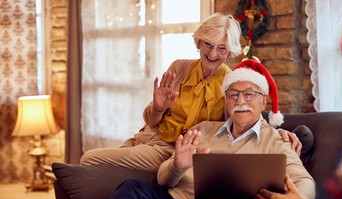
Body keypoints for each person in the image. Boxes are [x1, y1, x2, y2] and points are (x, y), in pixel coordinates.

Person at [78, 59, 315, 199]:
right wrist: (177, 166)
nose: (240, 100)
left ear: (263, 101)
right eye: (233, 94)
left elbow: (303, 180)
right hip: (168, 198)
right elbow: (164, 179)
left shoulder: (275, 141)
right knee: (133, 188)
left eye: (249, 94)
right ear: (226, 101)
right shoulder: (204, 129)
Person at [80, 12, 301, 173]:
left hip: (174, 152)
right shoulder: (179, 68)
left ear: (230, 51)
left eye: (221, 48)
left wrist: (280, 133)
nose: (213, 53)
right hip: (146, 138)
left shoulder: (231, 82)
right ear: (198, 42)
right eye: (208, 44)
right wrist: (158, 107)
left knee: (89, 159)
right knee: (102, 172)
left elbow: (245, 115)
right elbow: (150, 120)